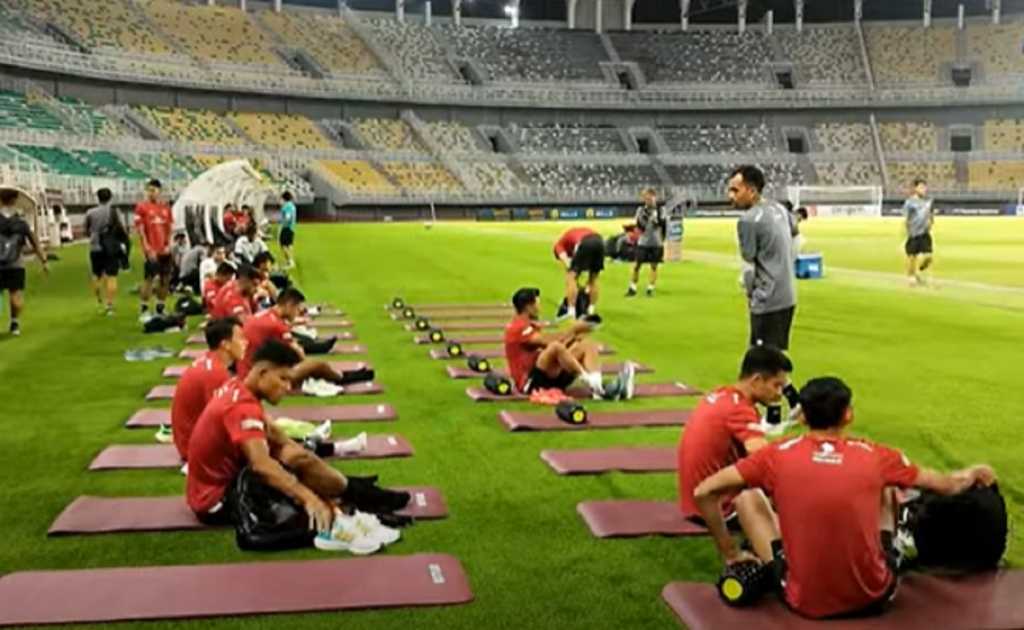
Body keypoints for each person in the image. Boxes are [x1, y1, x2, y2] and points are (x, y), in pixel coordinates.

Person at [694, 376, 997, 619]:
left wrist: (730, 553)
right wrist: (972, 473)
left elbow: (703, 491)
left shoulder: (774, 457)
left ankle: (800, 559)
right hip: (873, 596)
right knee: (888, 486)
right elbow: (945, 485)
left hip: (804, 602)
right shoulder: (877, 455)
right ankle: (892, 547)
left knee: (747, 497)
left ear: (802, 417)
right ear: (848, 414)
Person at [185, 339, 402, 553]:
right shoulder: (241, 407)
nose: (288, 388)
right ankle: (336, 525)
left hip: (220, 485)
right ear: (263, 373)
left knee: (296, 457)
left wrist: (305, 460)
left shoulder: (239, 387)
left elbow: (278, 438)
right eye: (283, 379)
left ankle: (356, 498)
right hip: (215, 501)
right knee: (287, 480)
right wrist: (309, 498)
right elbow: (261, 465)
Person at [676, 346, 792, 561]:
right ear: (757, 380)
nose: (779, 394)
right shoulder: (741, 409)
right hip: (716, 507)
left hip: (693, 500)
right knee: (794, 496)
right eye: (777, 385)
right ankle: (781, 564)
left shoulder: (721, 394)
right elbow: (765, 460)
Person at [504, 287, 633, 399]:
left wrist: (575, 335)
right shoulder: (518, 328)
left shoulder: (528, 324)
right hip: (530, 385)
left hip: (545, 376)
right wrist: (574, 330)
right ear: (528, 307)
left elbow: (556, 343)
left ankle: (597, 389)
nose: (539, 307)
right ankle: (592, 383)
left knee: (586, 345)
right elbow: (551, 345)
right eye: (537, 303)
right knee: (556, 347)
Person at [237, 287, 367, 387]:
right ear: (289, 305)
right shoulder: (276, 324)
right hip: (256, 375)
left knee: (298, 353)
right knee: (317, 365)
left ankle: (338, 374)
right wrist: (309, 368)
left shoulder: (266, 314)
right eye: (297, 307)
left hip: (249, 368)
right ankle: (342, 378)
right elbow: (297, 351)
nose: (298, 311)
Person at [730, 165, 797, 351]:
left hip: (767, 300)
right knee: (776, 358)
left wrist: (752, 296)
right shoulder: (779, 209)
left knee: (759, 362)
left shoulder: (748, 221)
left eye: (735, 190)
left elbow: (748, 266)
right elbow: (797, 236)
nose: (730, 195)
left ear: (751, 191)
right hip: (788, 295)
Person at [171, 317, 247, 462]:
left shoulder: (210, 363)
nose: (246, 342)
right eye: (241, 338)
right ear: (226, 345)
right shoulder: (215, 374)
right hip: (195, 449)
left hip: (190, 440)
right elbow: (222, 422)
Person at [0, 189, 48, 336]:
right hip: (16, 263)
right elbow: (34, 243)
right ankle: (15, 323)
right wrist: (44, 261)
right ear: (15, 201)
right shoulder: (21, 223)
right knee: (15, 294)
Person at [134, 178, 174, 321]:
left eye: (154, 190)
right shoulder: (141, 208)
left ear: (159, 191)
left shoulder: (165, 209)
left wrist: (169, 244)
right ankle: (144, 309)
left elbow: (169, 228)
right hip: (151, 250)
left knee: (165, 279)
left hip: (165, 250)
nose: (151, 193)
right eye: (149, 190)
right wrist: (147, 248)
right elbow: (141, 230)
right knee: (149, 279)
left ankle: (160, 308)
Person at [83, 188, 126, 316]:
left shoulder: (90, 212)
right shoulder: (115, 212)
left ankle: (98, 300)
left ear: (98, 198)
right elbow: (121, 228)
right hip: (111, 246)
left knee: (97, 275)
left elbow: (86, 230)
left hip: (95, 246)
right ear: (110, 197)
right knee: (112, 276)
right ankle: (110, 304)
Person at [553, 226, 604, 321]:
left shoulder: (558, 246)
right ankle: (591, 310)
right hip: (599, 241)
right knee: (593, 279)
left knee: (570, 277)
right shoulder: (571, 237)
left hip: (585, 242)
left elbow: (568, 265)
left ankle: (571, 312)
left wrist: (575, 279)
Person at [626, 188, 667, 297]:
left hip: (656, 242)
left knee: (654, 266)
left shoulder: (660, 210)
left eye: (648, 197)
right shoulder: (640, 210)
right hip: (643, 242)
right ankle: (632, 288)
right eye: (645, 198)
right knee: (636, 265)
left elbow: (664, 225)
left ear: (654, 197)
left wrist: (662, 238)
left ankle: (650, 289)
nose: (646, 200)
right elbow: (639, 226)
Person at [903, 178, 934, 287]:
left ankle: (919, 271)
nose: (924, 189)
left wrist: (931, 222)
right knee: (912, 257)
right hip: (914, 233)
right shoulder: (910, 202)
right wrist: (908, 231)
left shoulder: (928, 201)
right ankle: (911, 277)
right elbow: (906, 219)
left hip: (925, 233)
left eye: (925, 187)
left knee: (928, 257)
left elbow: (930, 214)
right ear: (915, 188)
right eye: (921, 187)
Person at [279, 191, 297, 269]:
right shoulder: (292, 206)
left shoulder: (287, 206)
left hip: (287, 228)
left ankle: (290, 261)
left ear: (284, 198)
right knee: (289, 245)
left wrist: (283, 224)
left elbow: (288, 217)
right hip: (292, 227)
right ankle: (289, 261)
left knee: (283, 245)